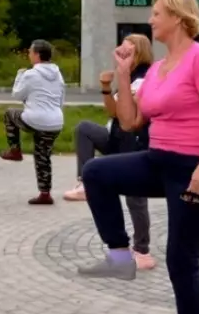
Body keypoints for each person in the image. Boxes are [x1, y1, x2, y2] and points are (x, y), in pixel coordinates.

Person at [78, 0, 199, 314]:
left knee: (181, 258)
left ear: (179, 18)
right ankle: (119, 256)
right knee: (96, 172)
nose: (150, 20)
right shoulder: (159, 68)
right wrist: (124, 74)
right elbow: (130, 121)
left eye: (157, 13)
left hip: (196, 167)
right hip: (158, 159)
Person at [63, 33, 156, 270]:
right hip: (116, 138)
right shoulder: (126, 76)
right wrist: (106, 88)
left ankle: (142, 250)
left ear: (141, 53)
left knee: (135, 199)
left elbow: (128, 113)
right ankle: (84, 181)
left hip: (135, 142)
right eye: (121, 50)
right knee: (84, 129)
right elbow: (112, 112)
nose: (123, 55)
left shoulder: (145, 78)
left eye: (129, 51)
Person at [0, 40, 66, 205]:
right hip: (56, 121)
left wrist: (19, 76)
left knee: (9, 114)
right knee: (43, 155)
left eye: (30, 52)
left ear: (37, 54)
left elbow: (17, 95)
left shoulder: (30, 74)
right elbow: (61, 99)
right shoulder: (58, 74)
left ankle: (15, 150)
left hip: (35, 119)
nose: (28, 54)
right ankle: (45, 194)